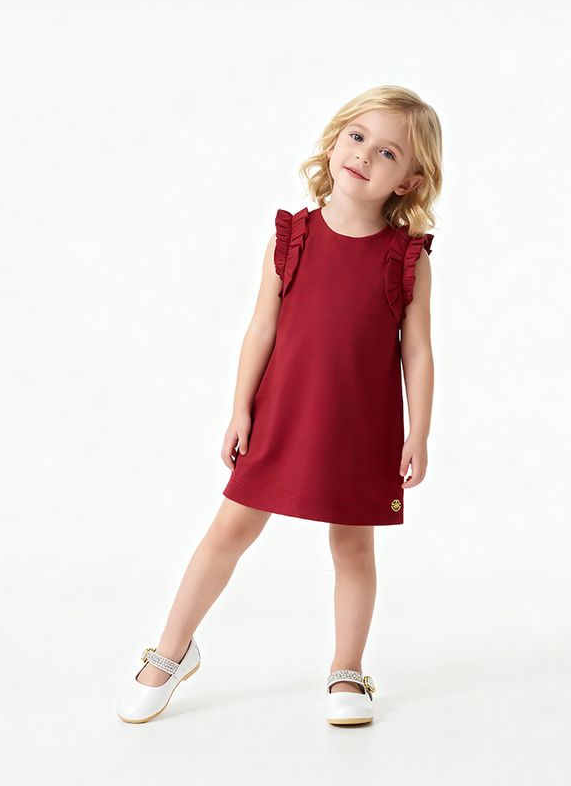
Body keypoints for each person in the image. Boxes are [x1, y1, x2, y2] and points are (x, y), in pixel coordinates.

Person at [116, 84, 443, 726]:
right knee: (229, 531)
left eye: (387, 153)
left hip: (362, 426)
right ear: (334, 140)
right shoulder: (292, 238)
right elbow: (261, 328)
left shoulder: (406, 258)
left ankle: (347, 670)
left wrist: (419, 433)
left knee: (353, 547)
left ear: (408, 181)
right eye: (357, 137)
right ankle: (171, 653)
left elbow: (418, 351)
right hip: (282, 415)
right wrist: (240, 408)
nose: (364, 156)